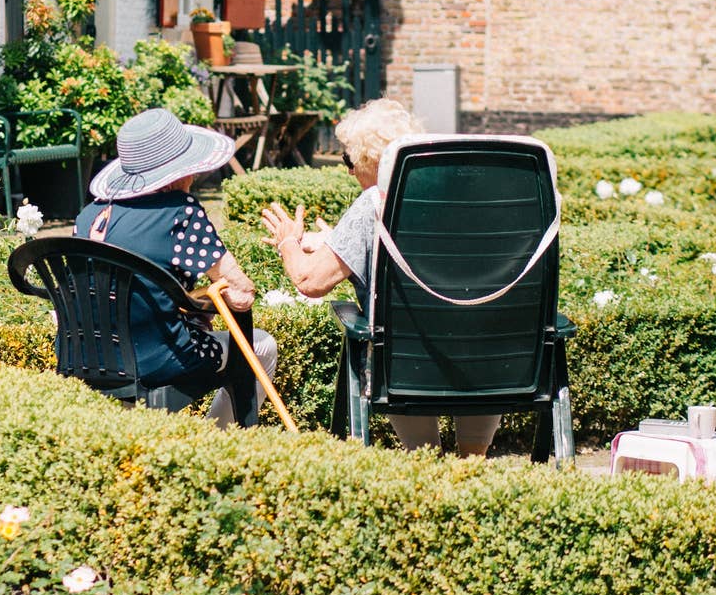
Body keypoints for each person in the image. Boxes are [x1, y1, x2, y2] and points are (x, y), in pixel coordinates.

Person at [260, 98, 504, 457]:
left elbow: (309, 281)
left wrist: (287, 243)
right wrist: (339, 243)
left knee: (392, 337)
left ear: (370, 161)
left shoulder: (374, 201)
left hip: (409, 363)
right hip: (489, 358)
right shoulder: (468, 201)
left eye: (347, 160)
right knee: (465, 331)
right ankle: (472, 459)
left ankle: (427, 461)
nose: (347, 170)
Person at [75, 107, 278, 427]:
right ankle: (217, 442)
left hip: (87, 358)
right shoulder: (179, 212)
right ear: (178, 172)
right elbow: (241, 295)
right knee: (263, 346)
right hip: (155, 360)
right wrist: (199, 301)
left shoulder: (89, 216)